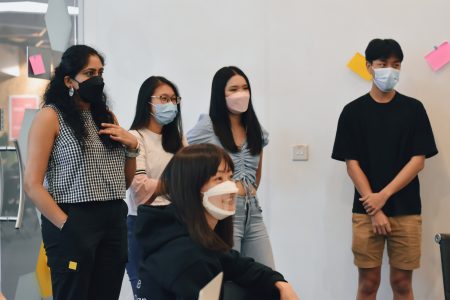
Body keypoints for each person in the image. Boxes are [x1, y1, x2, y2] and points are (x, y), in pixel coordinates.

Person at [24, 45, 139, 300]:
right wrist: (66, 224)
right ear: (69, 80)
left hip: (112, 218)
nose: (97, 79)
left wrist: (133, 148)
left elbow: (123, 182)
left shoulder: (106, 116)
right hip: (72, 217)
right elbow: (32, 184)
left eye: (101, 72)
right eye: (89, 73)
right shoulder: (50, 116)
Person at [332, 39, 438, 300]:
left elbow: (418, 160)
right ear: (369, 66)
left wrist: (383, 197)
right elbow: (351, 163)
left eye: (396, 65)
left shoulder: (414, 109)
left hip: (406, 209)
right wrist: (375, 206)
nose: (389, 70)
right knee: (368, 283)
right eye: (382, 64)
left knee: (402, 283)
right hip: (367, 211)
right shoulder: (352, 112)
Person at [135, 144, 299, 300]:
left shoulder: (190, 236)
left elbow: (236, 264)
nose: (231, 187)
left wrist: (281, 284)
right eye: (219, 178)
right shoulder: (189, 255)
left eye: (230, 177)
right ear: (191, 186)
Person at [187, 66, 275, 268]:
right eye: (233, 89)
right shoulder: (208, 124)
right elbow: (185, 156)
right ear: (221, 94)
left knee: (268, 276)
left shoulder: (254, 127)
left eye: (245, 88)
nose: (241, 94)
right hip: (223, 211)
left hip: (252, 210)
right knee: (228, 276)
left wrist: (248, 191)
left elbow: (256, 169)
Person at [125, 76, 185, 297]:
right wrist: (178, 185)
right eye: (163, 98)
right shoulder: (134, 138)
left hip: (176, 222)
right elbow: (140, 189)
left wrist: (167, 185)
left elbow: (191, 181)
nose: (170, 104)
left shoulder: (179, 140)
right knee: (146, 292)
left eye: (173, 99)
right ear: (147, 102)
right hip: (143, 224)